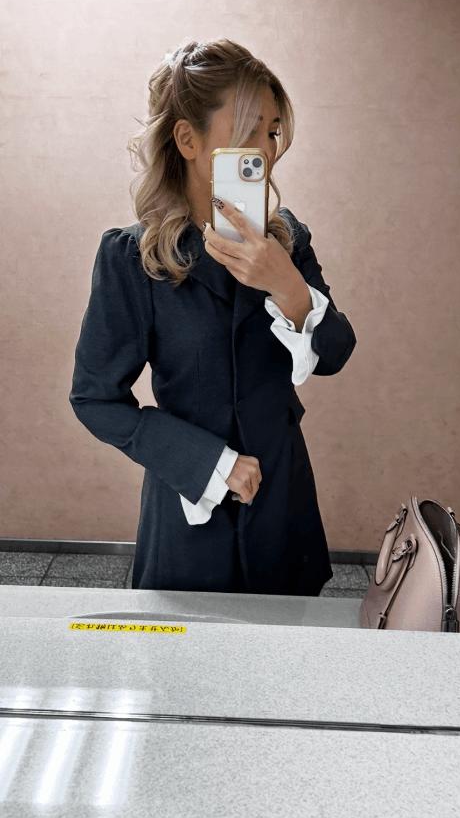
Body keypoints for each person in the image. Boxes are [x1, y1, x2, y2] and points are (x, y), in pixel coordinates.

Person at [69, 38, 356, 596]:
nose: (265, 150)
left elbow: (335, 355)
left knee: (288, 646)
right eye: (248, 129)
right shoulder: (132, 257)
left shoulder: (289, 241)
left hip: (283, 507)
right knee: (189, 650)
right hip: (188, 514)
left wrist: (287, 285)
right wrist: (211, 463)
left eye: (272, 131)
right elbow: (94, 397)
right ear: (187, 140)